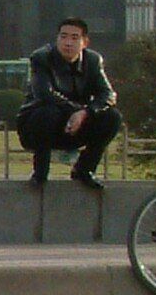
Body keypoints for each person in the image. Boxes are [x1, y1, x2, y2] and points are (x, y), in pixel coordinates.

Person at [17, 15, 120, 189]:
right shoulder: (41, 58)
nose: (68, 43)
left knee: (112, 117)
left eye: (74, 38)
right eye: (63, 37)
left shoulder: (93, 61)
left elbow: (108, 95)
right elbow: (43, 94)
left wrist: (85, 113)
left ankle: (84, 170)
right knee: (48, 112)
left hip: (74, 127)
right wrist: (74, 111)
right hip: (37, 126)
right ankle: (40, 174)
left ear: (85, 42)